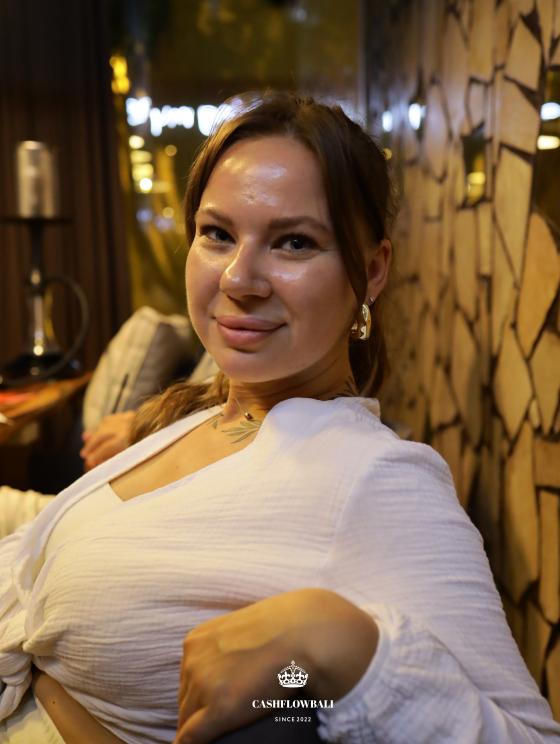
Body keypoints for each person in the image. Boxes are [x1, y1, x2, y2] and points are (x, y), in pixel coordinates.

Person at [1, 90, 559, 744]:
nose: (239, 278)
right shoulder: (210, 417)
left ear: (372, 270)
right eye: (217, 234)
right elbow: (80, 543)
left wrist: (341, 643)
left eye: (294, 242)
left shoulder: (379, 478)